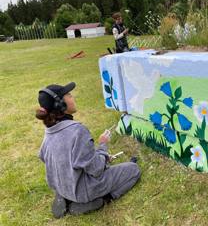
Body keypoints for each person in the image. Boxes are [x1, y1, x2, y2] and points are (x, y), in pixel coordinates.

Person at [35, 82, 141, 218]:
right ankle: (102, 200)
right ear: (60, 104)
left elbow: (45, 157)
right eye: (68, 95)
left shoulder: (49, 131)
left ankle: (66, 197)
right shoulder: (77, 130)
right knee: (133, 169)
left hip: (62, 186)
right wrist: (102, 146)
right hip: (82, 189)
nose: (72, 97)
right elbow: (96, 169)